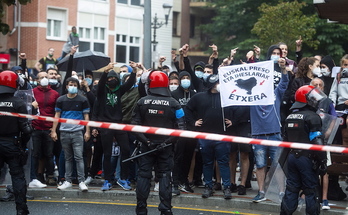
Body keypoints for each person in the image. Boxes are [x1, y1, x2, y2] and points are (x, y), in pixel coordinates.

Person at [131, 70, 185, 215]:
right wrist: (167, 142)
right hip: (166, 147)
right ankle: (165, 208)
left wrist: (146, 141)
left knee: (143, 176)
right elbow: (181, 128)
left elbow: (134, 126)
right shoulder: (175, 104)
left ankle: (141, 208)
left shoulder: (142, 102)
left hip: (146, 146)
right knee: (165, 176)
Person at [280, 85, 327, 215]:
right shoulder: (313, 117)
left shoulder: (290, 117)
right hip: (307, 158)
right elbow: (317, 141)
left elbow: (285, 140)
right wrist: (323, 161)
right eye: (312, 98)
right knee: (311, 190)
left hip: (291, 157)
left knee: (291, 189)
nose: (315, 100)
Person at [250, 46, 288, 203]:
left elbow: (285, 83)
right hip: (258, 135)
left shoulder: (276, 92)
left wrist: (283, 69)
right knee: (260, 165)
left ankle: (281, 192)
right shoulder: (251, 96)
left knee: (278, 165)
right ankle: (261, 192)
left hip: (274, 134)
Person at [186, 74, 233, 200]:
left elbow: (237, 109)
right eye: (217, 83)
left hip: (222, 136)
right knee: (207, 162)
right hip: (205, 136)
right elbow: (188, 109)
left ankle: (227, 187)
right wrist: (193, 122)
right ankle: (208, 186)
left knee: (223, 162)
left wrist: (232, 120)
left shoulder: (226, 97)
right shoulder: (199, 97)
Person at [92, 62, 137, 191]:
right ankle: (107, 180)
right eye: (109, 79)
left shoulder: (119, 90)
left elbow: (129, 84)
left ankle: (123, 178)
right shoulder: (101, 91)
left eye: (114, 78)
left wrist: (133, 72)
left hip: (119, 124)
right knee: (107, 153)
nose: (111, 80)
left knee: (126, 150)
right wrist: (105, 72)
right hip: (106, 125)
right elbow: (100, 84)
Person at [0, 70, 33, 215]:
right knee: (17, 176)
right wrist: (23, 145)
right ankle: (21, 210)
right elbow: (26, 129)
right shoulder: (18, 103)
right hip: (12, 144)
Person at [50, 77, 90, 192]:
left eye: (75, 84)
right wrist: (53, 130)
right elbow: (57, 115)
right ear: (66, 86)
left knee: (79, 157)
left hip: (78, 132)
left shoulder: (83, 100)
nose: (72, 86)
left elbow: (86, 117)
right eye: (70, 84)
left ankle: (81, 181)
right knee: (68, 158)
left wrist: (87, 131)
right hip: (64, 132)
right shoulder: (61, 100)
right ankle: (67, 181)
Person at [29, 71, 60, 188]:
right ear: (37, 80)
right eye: (41, 77)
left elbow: (57, 113)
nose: (44, 79)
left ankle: (50, 176)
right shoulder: (32, 93)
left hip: (48, 128)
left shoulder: (55, 94)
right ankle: (36, 177)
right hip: (35, 128)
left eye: (46, 77)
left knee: (49, 154)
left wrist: (53, 130)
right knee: (35, 154)